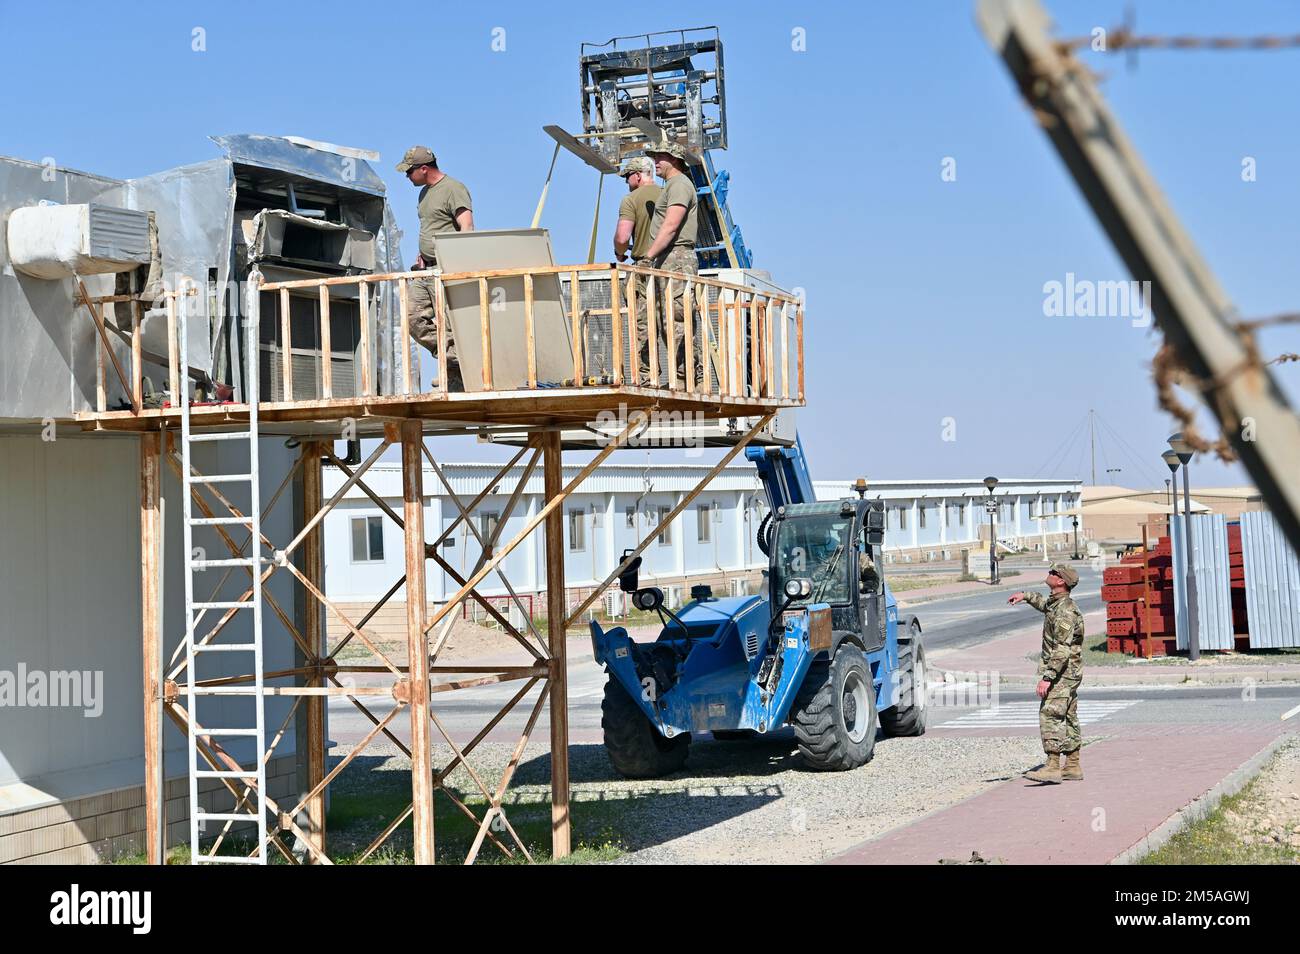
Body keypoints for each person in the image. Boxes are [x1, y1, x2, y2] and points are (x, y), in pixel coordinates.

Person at [395, 145, 472, 391]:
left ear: (424, 168)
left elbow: (467, 227)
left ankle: (456, 373)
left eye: (409, 172)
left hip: (446, 266)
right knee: (412, 317)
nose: (407, 177)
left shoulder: (453, 189)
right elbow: (430, 226)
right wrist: (422, 254)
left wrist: (456, 264)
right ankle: (452, 361)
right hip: (425, 268)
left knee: (450, 323)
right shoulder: (424, 194)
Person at [1008, 563, 1086, 783]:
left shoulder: (1065, 611)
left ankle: (1052, 766)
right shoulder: (1057, 604)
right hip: (1069, 671)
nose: (1049, 574)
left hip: (1063, 672)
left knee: (1050, 714)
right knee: (1069, 715)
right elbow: (1044, 604)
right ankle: (1072, 765)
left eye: (1053, 573)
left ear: (1061, 581)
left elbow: (1062, 648)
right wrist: (1025, 596)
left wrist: (1047, 677)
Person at [641, 138, 702, 388]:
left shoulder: (679, 185)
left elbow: (671, 225)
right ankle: (680, 378)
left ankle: (687, 379)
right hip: (668, 259)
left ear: (674, 159)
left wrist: (647, 256)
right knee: (667, 321)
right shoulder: (672, 185)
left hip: (676, 258)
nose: (655, 161)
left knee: (678, 320)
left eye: (660, 157)